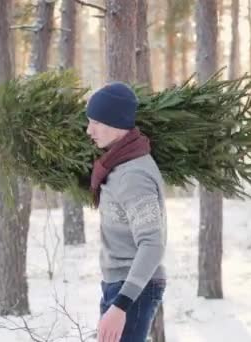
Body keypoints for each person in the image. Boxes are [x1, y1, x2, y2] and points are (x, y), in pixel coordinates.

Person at [85, 82, 167, 342]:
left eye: (95, 122)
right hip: (122, 286)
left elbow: (152, 243)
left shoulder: (133, 175)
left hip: (131, 290)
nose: (89, 130)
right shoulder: (117, 164)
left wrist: (121, 305)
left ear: (116, 122)